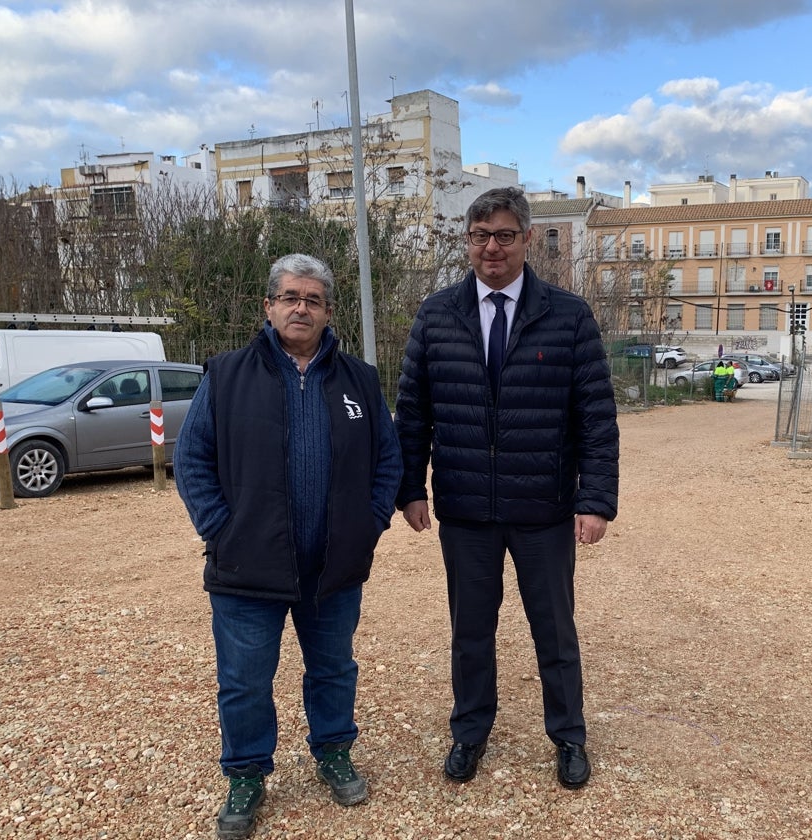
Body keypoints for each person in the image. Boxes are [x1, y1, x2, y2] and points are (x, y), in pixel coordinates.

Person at [394, 187, 619, 791]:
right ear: (467, 242)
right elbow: (412, 411)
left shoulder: (568, 316)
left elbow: (595, 416)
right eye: (479, 235)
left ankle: (568, 735)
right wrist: (409, 487)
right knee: (470, 631)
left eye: (503, 235)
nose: (491, 247)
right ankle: (470, 731)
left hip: (543, 507)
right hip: (467, 507)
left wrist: (594, 500)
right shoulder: (436, 314)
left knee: (554, 628)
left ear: (525, 240)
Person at [175, 253, 402, 840]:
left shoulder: (361, 380)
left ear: (329, 311)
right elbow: (191, 460)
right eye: (290, 297)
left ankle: (333, 752)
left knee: (332, 670)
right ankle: (246, 774)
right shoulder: (225, 375)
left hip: (332, 566)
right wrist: (219, 529)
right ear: (269, 307)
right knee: (245, 680)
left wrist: (368, 522)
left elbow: (388, 461)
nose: (301, 307)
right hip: (247, 565)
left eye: (314, 299)